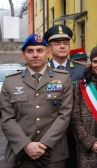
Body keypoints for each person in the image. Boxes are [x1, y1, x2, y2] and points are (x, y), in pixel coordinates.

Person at [0, 34, 73, 168]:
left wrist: (44, 144)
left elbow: (65, 115)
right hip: (20, 154)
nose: (35, 55)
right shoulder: (10, 82)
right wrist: (26, 145)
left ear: (48, 53)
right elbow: (7, 119)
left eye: (39, 50)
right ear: (23, 55)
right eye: (30, 51)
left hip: (53, 153)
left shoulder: (63, 78)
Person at [43, 24, 86, 167]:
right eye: (57, 43)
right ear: (49, 48)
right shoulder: (42, 71)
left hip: (76, 131)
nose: (62, 46)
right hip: (50, 130)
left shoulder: (82, 70)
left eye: (65, 43)